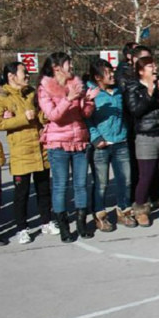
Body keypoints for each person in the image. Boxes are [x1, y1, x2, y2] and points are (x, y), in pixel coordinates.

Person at [38, 52, 97, 242]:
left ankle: (81, 224)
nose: (71, 67)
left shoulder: (76, 84)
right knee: (60, 186)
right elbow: (53, 115)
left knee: (81, 184)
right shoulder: (45, 88)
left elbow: (84, 114)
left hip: (79, 140)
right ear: (56, 68)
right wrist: (68, 99)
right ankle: (63, 227)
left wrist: (89, 100)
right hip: (58, 143)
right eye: (68, 64)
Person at [0, 62, 56, 245]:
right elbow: (0, 123)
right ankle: (22, 229)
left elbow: (40, 115)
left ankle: (46, 221)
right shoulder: (3, 96)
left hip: (40, 149)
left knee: (44, 189)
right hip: (20, 151)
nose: (28, 75)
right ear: (11, 76)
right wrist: (23, 118)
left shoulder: (32, 92)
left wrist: (46, 114)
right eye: (24, 72)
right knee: (21, 194)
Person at [124, 56, 159, 227]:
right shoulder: (133, 87)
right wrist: (148, 94)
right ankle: (141, 210)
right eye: (149, 66)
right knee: (146, 176)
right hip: (145, 136)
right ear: (141, 71)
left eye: (154, 65)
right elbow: (135, 111)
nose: (154, 68)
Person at [86, 59, 133, 231]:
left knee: (125, 180)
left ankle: (124, 211)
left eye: (112, 71)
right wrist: (96, 138)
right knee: (101, 183)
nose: (112, 75)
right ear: (97, 77)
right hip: (101, 146)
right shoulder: (90, 93)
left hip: (121, 142)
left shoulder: (119, 91)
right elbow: (86, 119)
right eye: (107, 73)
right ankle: (100, 215)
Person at [117, 44, 159, 205]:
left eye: (150, 60)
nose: (150, 64)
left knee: (154, 163)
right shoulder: (125, 77)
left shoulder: (155, 78)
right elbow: (132, 105)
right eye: (144, 59)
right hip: (134, 126)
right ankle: (139, 199)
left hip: (153, 126)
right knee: (137, 165)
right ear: (133, 59)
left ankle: (155, 195)